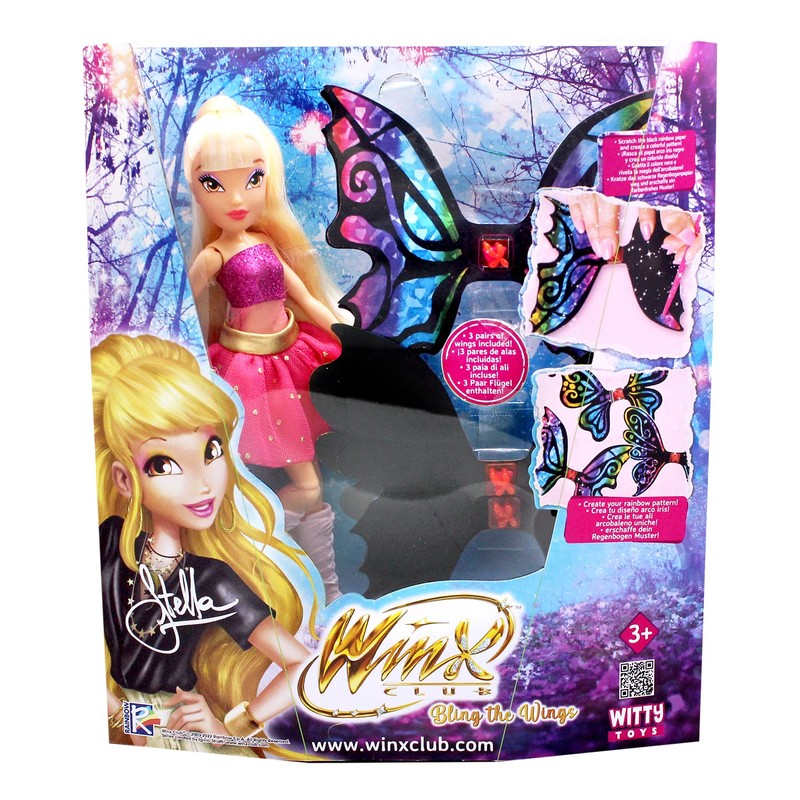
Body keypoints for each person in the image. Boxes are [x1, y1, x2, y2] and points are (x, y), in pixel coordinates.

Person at [93, 333, 314, 755]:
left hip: (185, 732)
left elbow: (301, 664)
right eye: (163, 464)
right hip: (134, 726)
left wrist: (234, 727)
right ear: (124, 479)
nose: (202, 483)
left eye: (212, 450)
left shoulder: (212, 579)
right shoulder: (108, 544)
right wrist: (121, 715)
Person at [183, 95, 342, 601]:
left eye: (252, 179)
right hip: (244, 372)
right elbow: (182, 311)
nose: (236, 198)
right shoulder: (212, 256)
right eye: (214, 183)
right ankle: (265, 556)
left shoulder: (267, 244)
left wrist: (345, 330)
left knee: (310, 485)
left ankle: (325, 589)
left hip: (291, 361)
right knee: (251, 476)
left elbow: (305, 299)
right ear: (196, 189)